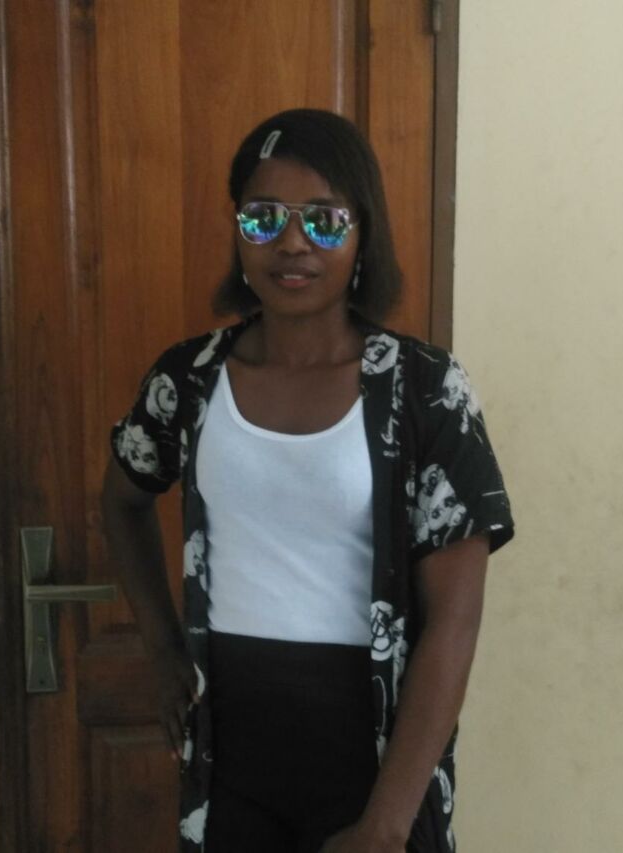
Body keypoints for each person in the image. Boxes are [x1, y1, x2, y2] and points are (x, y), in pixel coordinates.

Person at [101, 108, 514, 853]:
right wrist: (162, 649)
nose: (291, 242)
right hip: (230, 747)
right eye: (263, 217)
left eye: (324, 220)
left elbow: (455, 620)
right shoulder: (189, 379)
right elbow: (123, 500)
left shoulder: (426, 390)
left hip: (374, 752)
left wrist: (386, 826)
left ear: (362, 235)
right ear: (238, 231)